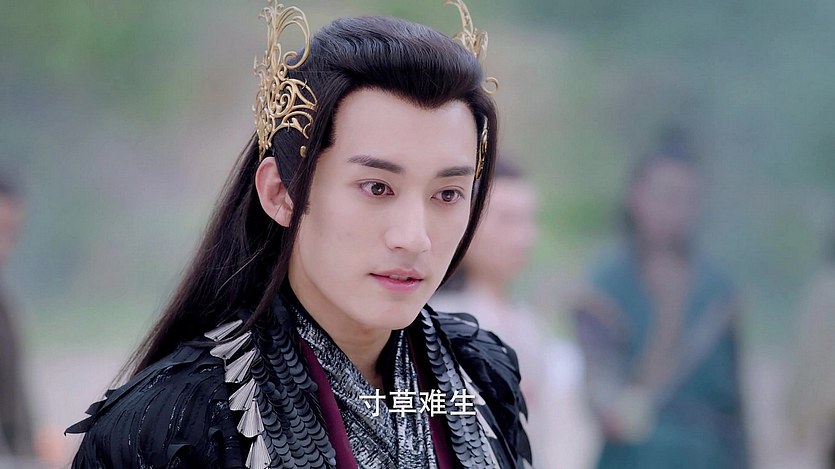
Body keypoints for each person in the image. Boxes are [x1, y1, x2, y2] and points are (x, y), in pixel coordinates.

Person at [67, 1, 531, 468]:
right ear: (280, 193)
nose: (414, 238)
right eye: (376, 187)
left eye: (448, 194)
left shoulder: (481, 377)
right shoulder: (171, 424)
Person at [573, 134, 749, 468]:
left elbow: (736, 406)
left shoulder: (718, 290)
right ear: (635, 196)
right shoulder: (605, 286)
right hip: (636, 454)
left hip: (709, 455)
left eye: (687, 199)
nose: (676, 210)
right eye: (666, 196)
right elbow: (599, 379)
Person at [431, 159, 595, 468]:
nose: (523, 237)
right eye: (506, 220)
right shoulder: (437, 322)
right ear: (465, 223)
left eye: (528, 220)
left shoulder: (530, 324)